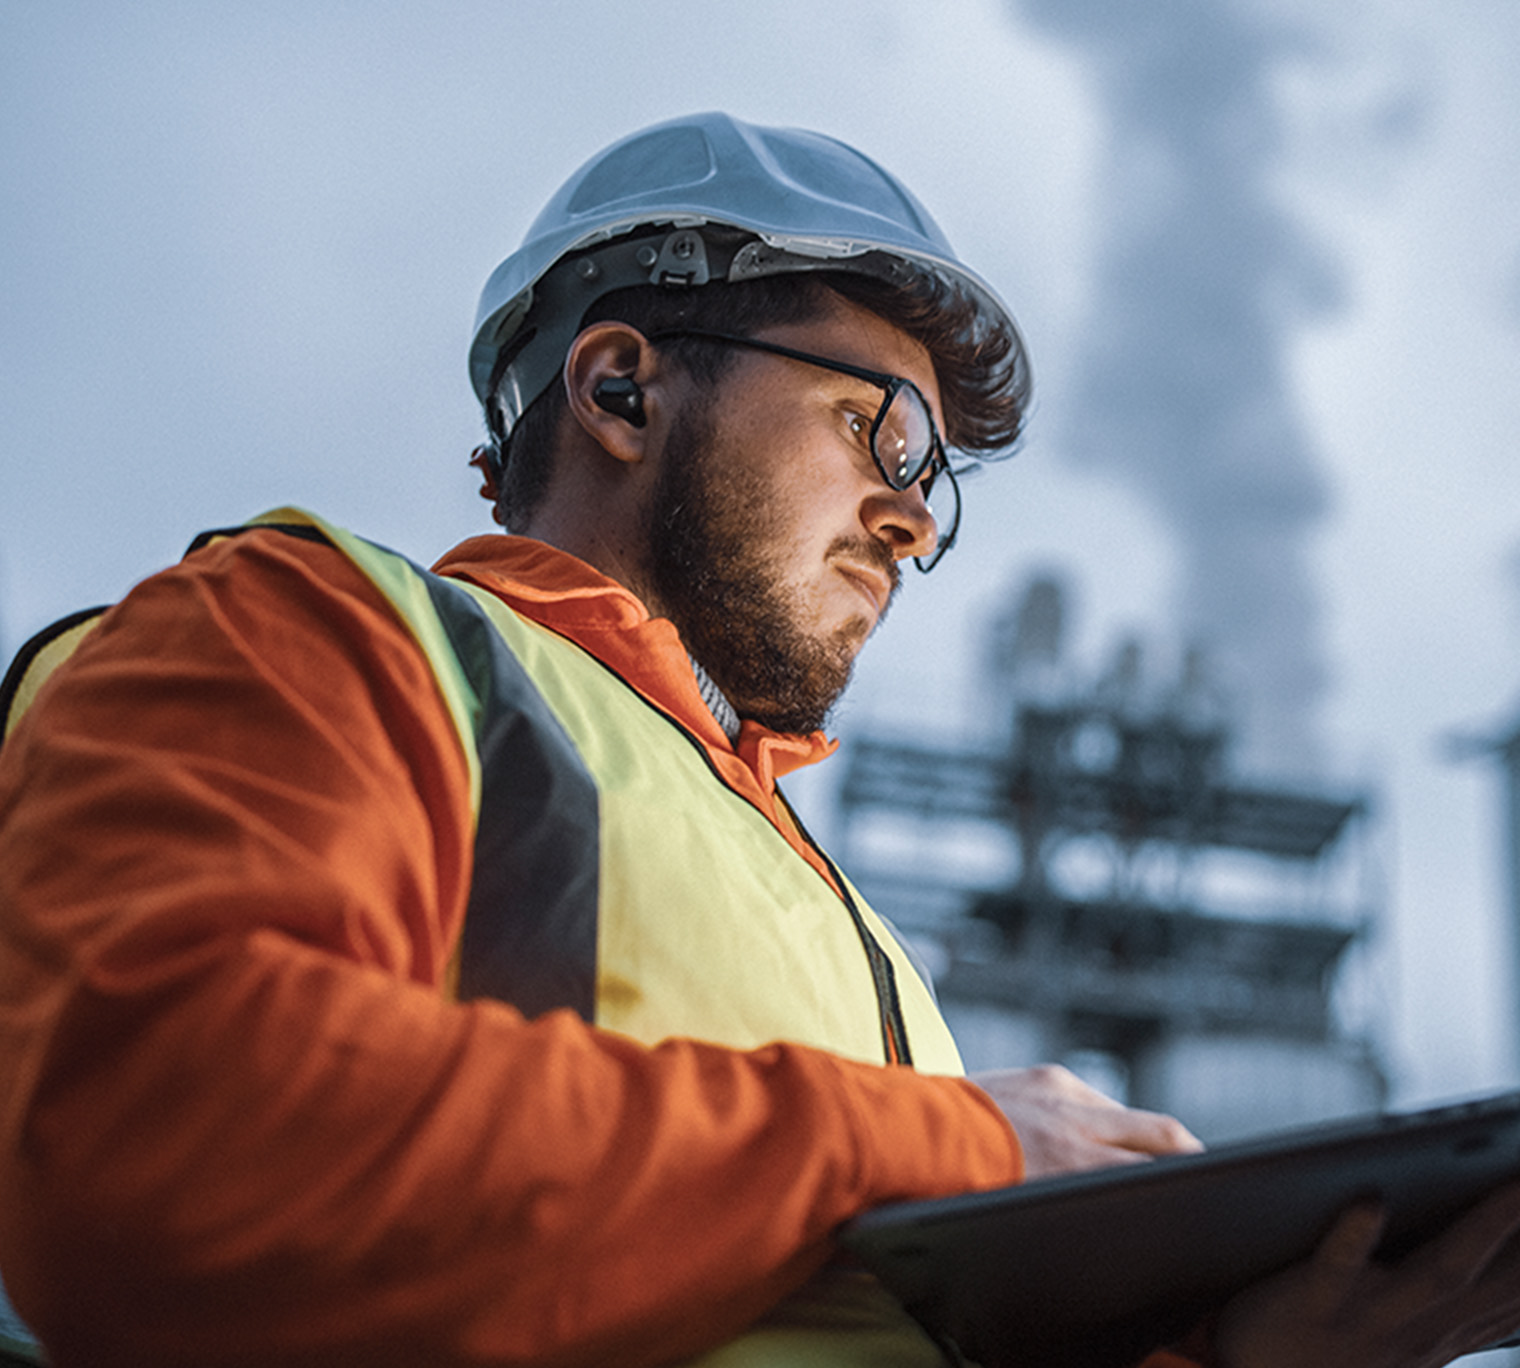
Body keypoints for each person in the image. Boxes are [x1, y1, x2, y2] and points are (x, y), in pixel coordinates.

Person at [0, 112, 1517, 1368]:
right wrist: (949, 1150)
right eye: (886, 431)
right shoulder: (319, 637)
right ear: (619, 386)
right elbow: (160, 1149)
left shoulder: (852, 933)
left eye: (942, 480)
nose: (918, 518)